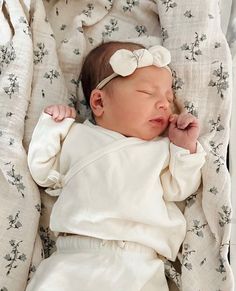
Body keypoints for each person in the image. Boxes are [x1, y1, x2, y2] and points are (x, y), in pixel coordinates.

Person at [26, 41, 206, 291]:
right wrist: (52, 126)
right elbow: (41, 170)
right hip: (74, 257)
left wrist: (184, 148)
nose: (165, 104)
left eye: (169, 97)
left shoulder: (161, 149)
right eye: (147, 93)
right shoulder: (75, 136)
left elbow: (180, 188)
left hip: (139, 264)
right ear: (99, 102)